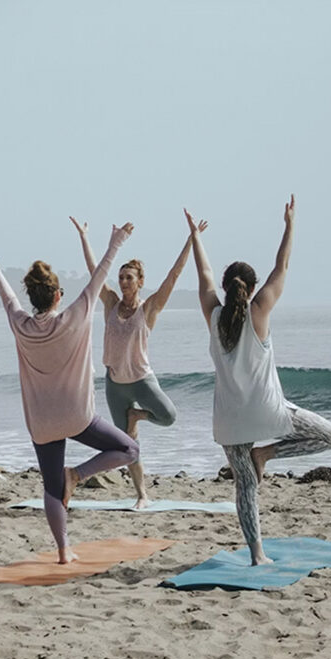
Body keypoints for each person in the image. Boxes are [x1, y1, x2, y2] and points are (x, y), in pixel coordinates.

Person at [186, 196, 331, 565]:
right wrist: (289, 224)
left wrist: (196, 237)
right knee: (330, 436)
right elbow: (282, 265)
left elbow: (203, 277)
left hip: (230, 421)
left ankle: (257, 555)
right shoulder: (260, 311)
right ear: (251, 289)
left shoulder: (213, 316)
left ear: (225, 289)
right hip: (268, 412)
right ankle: (267, 452)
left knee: (246, 488)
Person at [0, 222, 139, 564]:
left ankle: (64, 552)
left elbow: (5, 293)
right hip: (77, 417)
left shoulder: (20, 324)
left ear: (33, 298)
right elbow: (100, 278)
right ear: (58, 295)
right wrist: (116, 242)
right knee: (129, 449)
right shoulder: (74, 317)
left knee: (51, 488)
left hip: (42, 423)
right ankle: (76, 475)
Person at [70, 216, 207, 508]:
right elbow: (96, 272)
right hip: (115, 385)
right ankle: (142, 495)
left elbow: (174, 275)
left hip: (143, 381)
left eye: (129, 277)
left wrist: (191, 239)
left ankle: (138, 416)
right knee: (129, 447)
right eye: (121, 277)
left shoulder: (150, 308)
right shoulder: (109, 303)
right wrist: (84, 236)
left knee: (168, 416)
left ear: (140, 281)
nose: (122, 282)